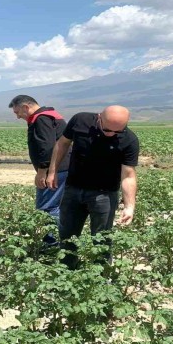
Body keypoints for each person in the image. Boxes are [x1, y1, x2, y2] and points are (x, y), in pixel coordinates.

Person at [46, 105, 139, 268]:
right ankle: (66, 271)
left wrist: (129, 206)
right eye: (108, 129)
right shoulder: (80, 120)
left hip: (104, 194)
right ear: (99, 117)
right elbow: (62, 144)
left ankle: (101, 278)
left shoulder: (129, 140)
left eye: (117, 131)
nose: (111, 134)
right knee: (67, 236)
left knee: (101, 239)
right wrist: (52, 171)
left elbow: (128, 175)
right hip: (73, 189)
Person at [8, 95, 71, 246]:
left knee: (47, 207)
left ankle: (51, 243)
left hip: (56, 170)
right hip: (63, 168)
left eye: (18, 112)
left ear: (26, 107)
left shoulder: (41, 119)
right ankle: (60, 241)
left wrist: (43, 172)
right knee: (57, 206)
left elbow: (46, 147)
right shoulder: (52, 116)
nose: (18, 117)